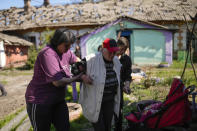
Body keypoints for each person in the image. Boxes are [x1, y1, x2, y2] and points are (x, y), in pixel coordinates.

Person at [25, 29, 83, 131]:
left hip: (57, 100)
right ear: (57, 42)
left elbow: (76, 59)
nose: (69, 48)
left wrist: (83, 64)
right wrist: (78, 78)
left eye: (70, 45)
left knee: (64, 128)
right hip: (40, 101)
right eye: (66, 45)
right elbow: (57, 82)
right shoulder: (48, 54)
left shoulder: (66, 51)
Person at [79, 38, 121, 131]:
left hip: (110, 100)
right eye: (110, 52)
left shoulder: (116, 61)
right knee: (99, 128)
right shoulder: (91, 59)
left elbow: (119, 76)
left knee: (108, 127)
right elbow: (74, 69)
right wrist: (83, 77)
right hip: (95, 100)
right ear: (102, 49)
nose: (112, 55)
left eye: (114, 52)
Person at [115, 37, 132, 131]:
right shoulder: (109, 57)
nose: (121, 51)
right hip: (107, 91)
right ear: (116, 46)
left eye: (124, 50)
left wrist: (126, 85)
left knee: (119, 112)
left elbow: (127, 76)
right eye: (120, 49)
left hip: (119, 90)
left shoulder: (126, 60)